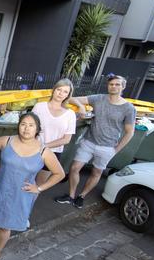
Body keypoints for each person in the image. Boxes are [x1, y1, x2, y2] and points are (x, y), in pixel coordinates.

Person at [0, 113, 65, 260]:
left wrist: (39, 188)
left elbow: (59, 174)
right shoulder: (6, 140)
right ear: (18, 125)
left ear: (37, 129)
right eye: (23, 124)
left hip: (19, 195)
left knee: (5, 226)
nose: (26, 128)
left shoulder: (44, 151)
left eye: (31, 125)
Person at [55, 75, 136, 209]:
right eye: (111, 84)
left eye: (117, 84)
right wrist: (81, 106)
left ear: (123, 87)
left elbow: (129, 132)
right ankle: (71, 195)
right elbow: (70, 98)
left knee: (96, 173)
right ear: (108, 86)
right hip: (89, 141)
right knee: (74, 168)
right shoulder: (98, 98)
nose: (114, 87)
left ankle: (82, 196)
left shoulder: (128, 108)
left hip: (108, 147)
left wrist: (116, 150)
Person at [32, 79, 77, 186]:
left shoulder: (70, 114)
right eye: (59, 89)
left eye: (65, 92)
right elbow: (30, 127)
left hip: (53, 153)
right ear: (54, 90)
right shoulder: (39, 107)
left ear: (68, 95)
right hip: (33, 149)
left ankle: (30, 203)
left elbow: (66, 139)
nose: (61, 94)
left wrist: (45, 146)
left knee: (39, 185)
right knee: (23, 180)